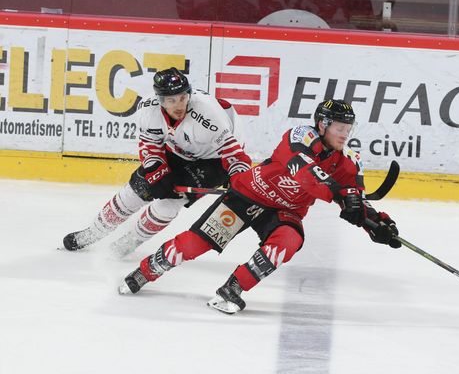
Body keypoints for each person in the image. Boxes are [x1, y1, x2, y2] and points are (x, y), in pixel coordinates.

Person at [118, 99, 401, 314]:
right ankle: (147, 270)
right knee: (195, 245)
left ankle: (233, 288)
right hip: (248, 196)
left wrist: (376, 223)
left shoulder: (349, 161)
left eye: (348, 129)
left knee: (289, 240)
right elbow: (305, 174)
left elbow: (356, 198)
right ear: (323, 125)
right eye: (339, 128)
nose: (344, 135)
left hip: (284, 212)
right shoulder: (299, 136)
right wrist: (338, 193)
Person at [62, 67, 251, 257]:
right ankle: (92, 233)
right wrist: (156, 172)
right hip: (180, 148)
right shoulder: (148, 109)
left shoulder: (209, 116)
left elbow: (236, 155)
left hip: (214, 160)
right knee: (136, 189)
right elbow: (150, 143)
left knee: (167, 204)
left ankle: (129, 242)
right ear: (160, 100)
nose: (179, 105)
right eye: (171, 100)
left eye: (183, 98)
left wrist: (240, 182)